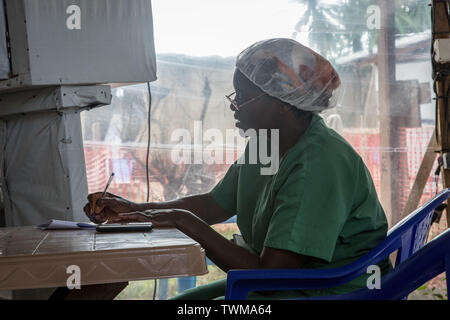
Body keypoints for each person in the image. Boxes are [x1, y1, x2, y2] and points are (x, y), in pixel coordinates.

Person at [84, 38, 391, 299]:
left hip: (329, 292)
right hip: (293, 285)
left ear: (283, 103)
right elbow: (214, 204)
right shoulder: (266, 144)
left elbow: (268, 278)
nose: (233, 105)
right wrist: (135, 208)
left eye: (243, 97)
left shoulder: (318, 164)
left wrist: (183, 221)